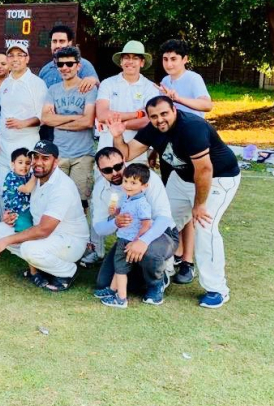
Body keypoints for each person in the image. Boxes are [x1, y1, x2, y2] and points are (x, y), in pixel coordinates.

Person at [107, 95, 241, 308]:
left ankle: (217, 289)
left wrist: (199, 205)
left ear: (174, 110)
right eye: (154, 116)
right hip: (183, 177)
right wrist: (117, 137)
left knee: (205, 228)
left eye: (164, 114)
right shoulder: (153, 128)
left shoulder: (192, 128)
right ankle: (162, 273)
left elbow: (205, 170)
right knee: (163, 223)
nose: (160, 120)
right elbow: (128, 153)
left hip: (217, 178)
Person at [0, 140, 89, 292]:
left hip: (69, 241)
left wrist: (6, 241)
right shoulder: (34, 178)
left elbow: (44, 229)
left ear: (56, 161)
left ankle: (67, 271)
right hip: (46, 238)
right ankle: (40, 268)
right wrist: (11, 216)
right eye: (35, 157)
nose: (38, 162)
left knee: (28, 248)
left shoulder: (62, 187)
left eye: (45, 158)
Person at [155, 39, 213, 285]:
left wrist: (178, 99)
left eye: (174, 59)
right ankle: (177, 254)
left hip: (192, 148)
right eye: (166, 59)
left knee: (191, 209)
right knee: (173, 207)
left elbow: (207, 105)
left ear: (185, 59)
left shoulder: (193, 79)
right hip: (170, 147)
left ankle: (188, 261)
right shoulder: (166, 81)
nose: (169, 63)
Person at [91, 148, 177, 306]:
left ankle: (156, 283)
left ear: (124, 160)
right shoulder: (100, 189)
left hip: (160, 233)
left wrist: (143, 241)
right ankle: (142, 274)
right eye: (108, 170)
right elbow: (99, 228)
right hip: (127, 236)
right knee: (104, 283)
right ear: (99, 170)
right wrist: (115, 222)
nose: (115, 172)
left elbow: (163, 218)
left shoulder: (145, 178)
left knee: (149, 253)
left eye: (118, 166)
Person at [40, 46, 99, 264]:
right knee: (56, 201)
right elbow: (45, 119)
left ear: (78, 66)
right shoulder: (53, 90)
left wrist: (60, 119)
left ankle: (81, 245)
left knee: (80, 202)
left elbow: (88, 121)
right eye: (61, 64)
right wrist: (74, 118)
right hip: (59, 154)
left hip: (82, 154)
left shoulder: (87, 88)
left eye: (69, 64)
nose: (65, 68)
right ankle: (58, 242)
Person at [0, 43, 47, 214]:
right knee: (0, 186)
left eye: (20, 55)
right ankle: (2, 228)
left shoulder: (37, 84)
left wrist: (23, 123)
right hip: (3, 145)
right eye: (11, 55)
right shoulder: (5, 84)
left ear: (27, 58)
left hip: (26, 144)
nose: (15, 59)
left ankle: (27, 229)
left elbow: (44, 117)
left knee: (27, 188)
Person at [98, 163, 153, 308]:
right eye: (126, 181)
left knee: (121, 271)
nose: (128, 185)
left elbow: (147, 224)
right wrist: (115, 212)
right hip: (123, 239)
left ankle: (121, 299)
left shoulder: (141, 204)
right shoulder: (129, 199)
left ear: (144, 186)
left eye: (133, 183)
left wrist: (137, 241)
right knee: (119, 267)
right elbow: (124, 214)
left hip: (129, 241)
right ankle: (111, 290)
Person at [95, 40, 159, 160]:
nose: (130, 62)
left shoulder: (150, 88)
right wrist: (137, 114)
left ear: (142, 62)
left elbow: (149, 120)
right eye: (126, 57)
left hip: (137, 148)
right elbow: (102, 115)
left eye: (135, 58)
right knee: (105, 176)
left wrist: (119, 126)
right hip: (107, 146)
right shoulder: (108, 83)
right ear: (121, 61)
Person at [37, 25, 100, 90]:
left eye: (61, 41)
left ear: (70, 43)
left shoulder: (83, 65)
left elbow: (96, 86)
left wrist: (93, 80)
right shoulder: (45, 70)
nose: (57, 45)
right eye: (54, 41)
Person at [2, 148, 36, 232]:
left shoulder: (29, 175)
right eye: (20, 162)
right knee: (25, 228)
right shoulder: (12, 177)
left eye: (28, 163)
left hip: (28, 209)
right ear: (13, 164)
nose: (24, 166)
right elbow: (26, 189)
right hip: (16, 211)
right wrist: (36, 174)